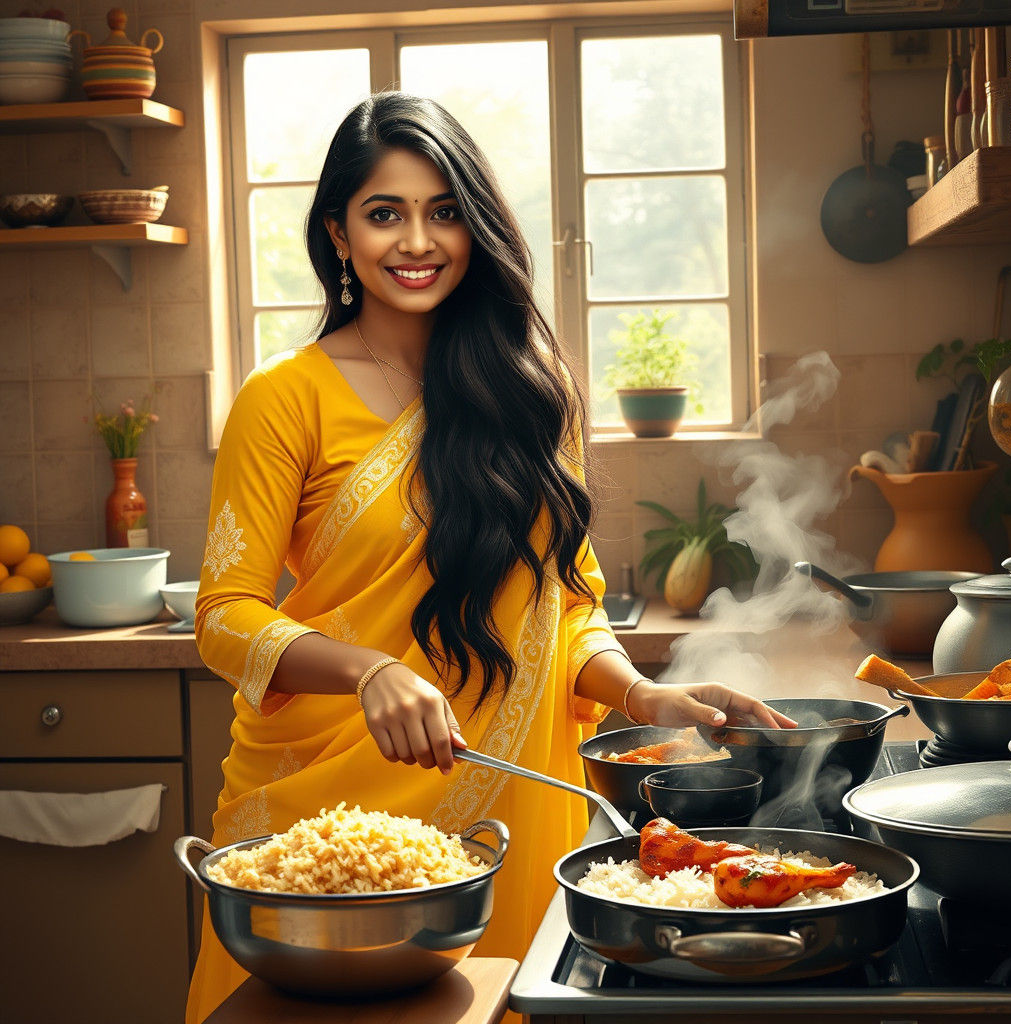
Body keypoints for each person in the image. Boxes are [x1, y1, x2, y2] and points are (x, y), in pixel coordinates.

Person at [185, 91, 794, 1021]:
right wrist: (369, 671)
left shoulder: (529, 393)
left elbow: (568, 600)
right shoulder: (285, 397)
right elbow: (224, 617)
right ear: (339, 235)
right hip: (339, 828)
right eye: (384, 213)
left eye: (444, 211)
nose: (417, 241)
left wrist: (641, 695)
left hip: (514, 798)